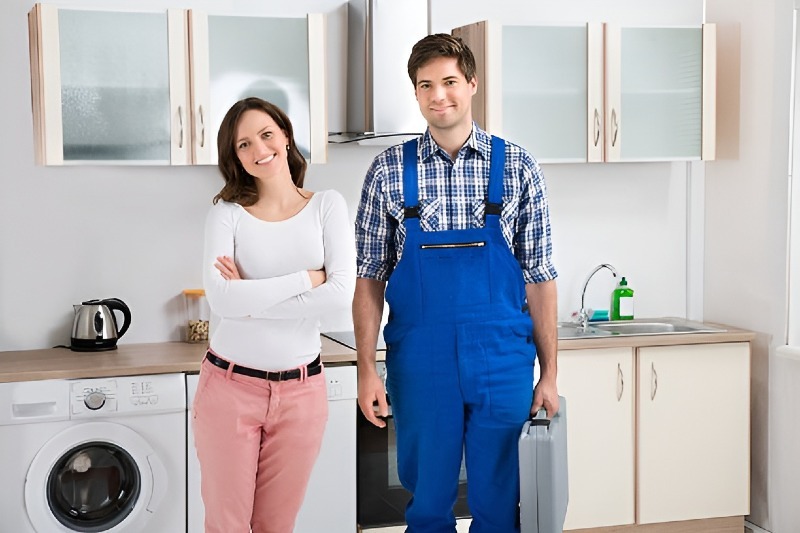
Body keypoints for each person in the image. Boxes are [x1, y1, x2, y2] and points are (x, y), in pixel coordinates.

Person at [353, 34, 559, 532]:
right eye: (426, 85)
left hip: (503, 357)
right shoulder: (387, 170)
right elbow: (368, 281)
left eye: (449, 81)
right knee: (427, 501)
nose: (438, 95)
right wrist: (365, 370)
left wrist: (549, 374)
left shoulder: (518, 166)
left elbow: (541, 278)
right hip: (420, 361)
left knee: (500, 499)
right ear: (416, 93)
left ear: (471, 83)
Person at [193, 97, 355, 533]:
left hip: (302, 394)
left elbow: (341, 295)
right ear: (234, 156)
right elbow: (223, 303)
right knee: (226, 525)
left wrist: (251, 298)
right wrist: (306, 278)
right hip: (230, 388)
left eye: (266, 134)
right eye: (244, 144)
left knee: (275, 526)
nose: (258, 149)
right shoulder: (226, 214)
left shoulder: (327, 206)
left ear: (285, 135)